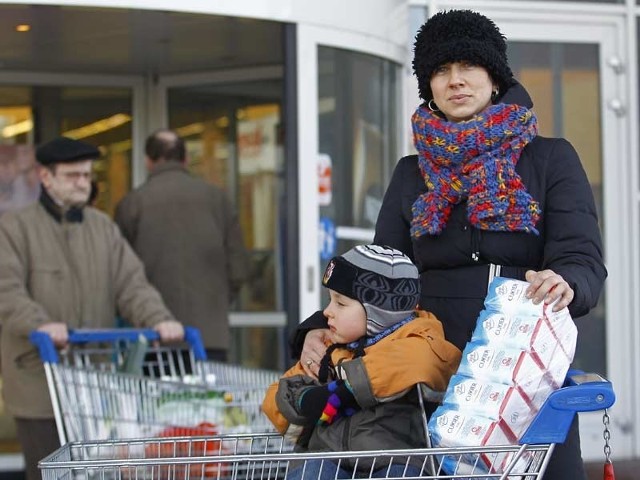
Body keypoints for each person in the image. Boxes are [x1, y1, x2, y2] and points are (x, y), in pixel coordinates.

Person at [291, 10, 607, 480]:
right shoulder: (410, 173)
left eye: (467, 67)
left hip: (522, 366)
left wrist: (566, 282)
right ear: (428, 87)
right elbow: (375, 279)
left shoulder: (548, 159)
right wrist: (320, 327)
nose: (455, 81)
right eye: (440, 71)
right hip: (430, 372)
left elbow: (582, 259)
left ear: (494, 77)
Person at [0, 136, 185, 480]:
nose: (83, 183)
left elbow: (132, 285)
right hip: (38, 380)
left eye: (87, 176)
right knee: (48, 472)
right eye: (73, 176)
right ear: (46, 177)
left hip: (94, 387)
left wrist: (159, 319)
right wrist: (41, 325)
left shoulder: (103, 229)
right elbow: (6, 292)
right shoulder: (14, 228)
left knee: (98, 473)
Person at [263, 244, 461, 480]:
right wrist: (301, 400)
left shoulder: (419, 339)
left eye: (341, 303)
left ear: (379, 312)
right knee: (311, 471)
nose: (327, 312)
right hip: (328, 454)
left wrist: (344, 391)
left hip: (394, 457)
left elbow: (421, 362)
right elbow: (276, 401)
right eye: (330, 300)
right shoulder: (331, 348)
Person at [115, 129, 250, 361]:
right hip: (210, 335)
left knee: (158, 397)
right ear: (186, 159)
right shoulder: (217, 199)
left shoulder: (132, 204)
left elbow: (119, 272)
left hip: (153, 336)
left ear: (148, 161)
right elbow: (239, 267)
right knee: (208, 397)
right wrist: (216, 301)